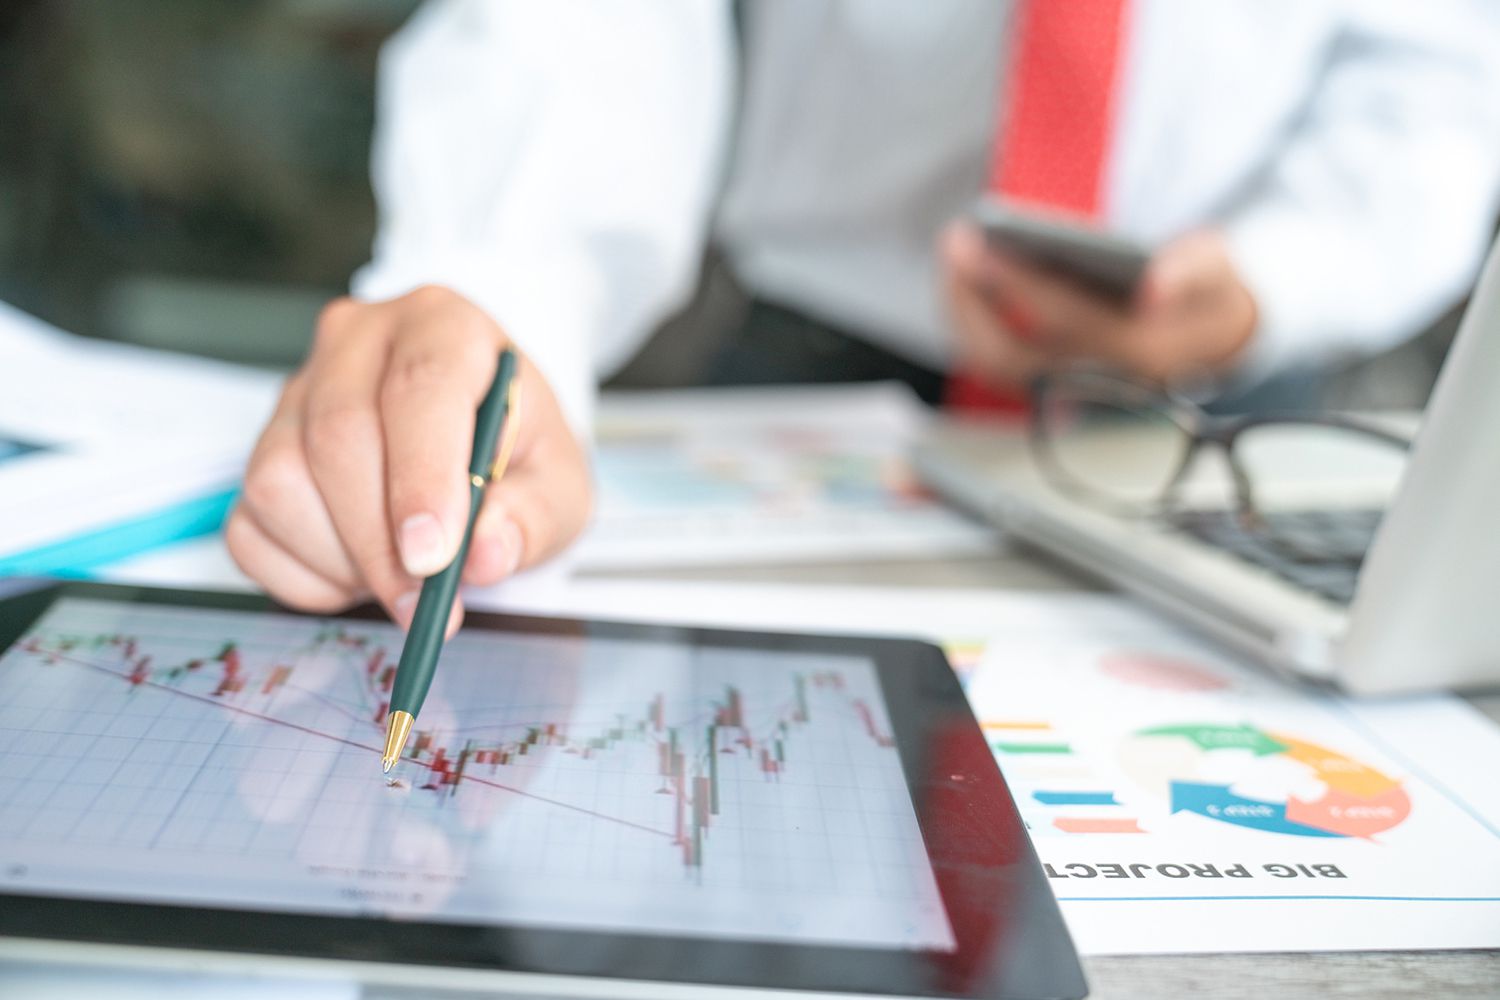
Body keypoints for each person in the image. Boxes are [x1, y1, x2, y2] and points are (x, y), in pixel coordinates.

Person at [226, 0, 1500, 626]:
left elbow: (1439, 70)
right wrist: (493, 281)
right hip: (808, 353)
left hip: (1229, 402)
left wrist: (1269, 281)